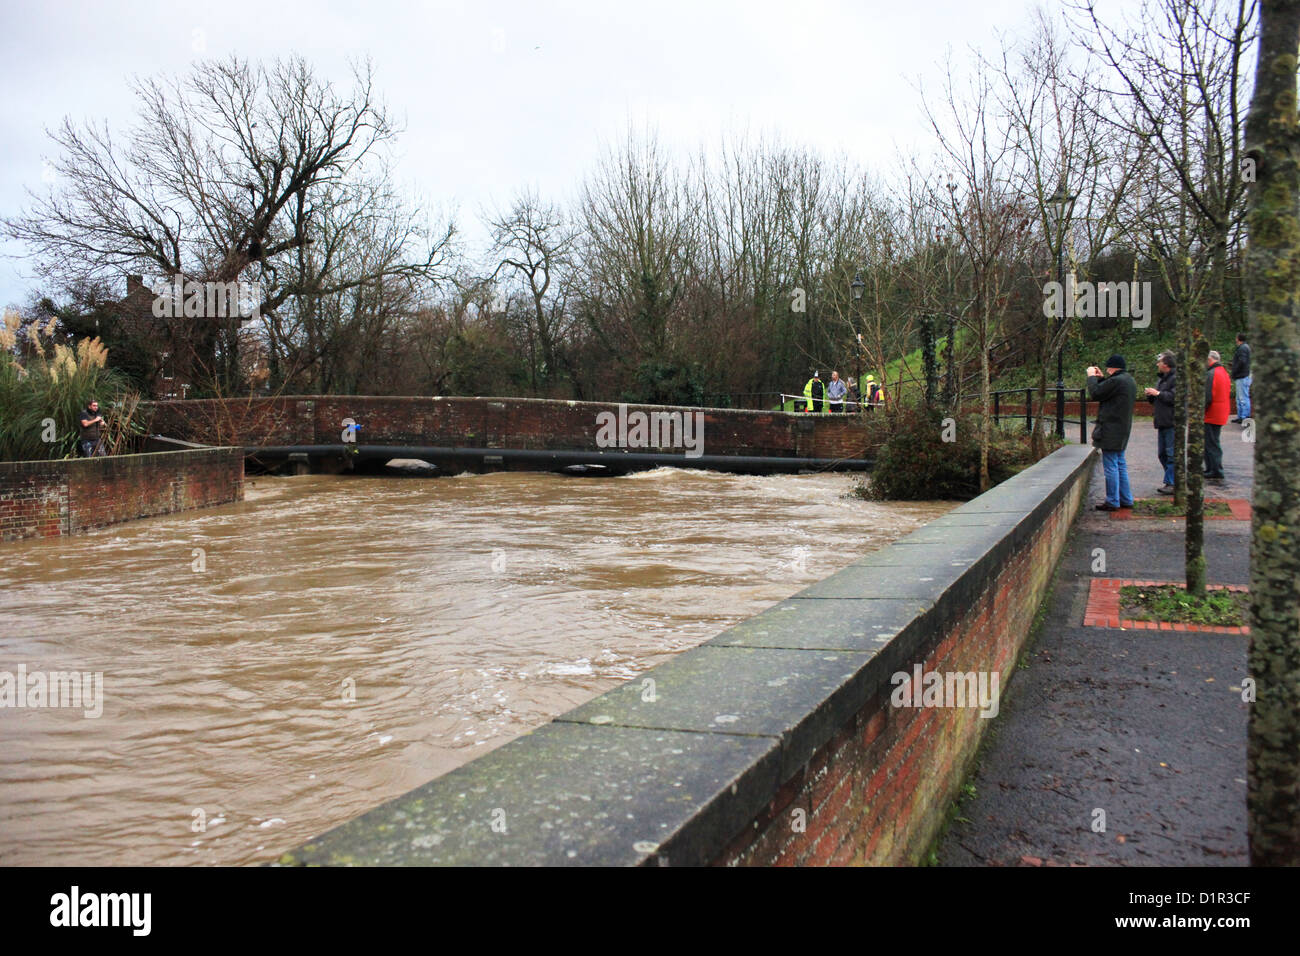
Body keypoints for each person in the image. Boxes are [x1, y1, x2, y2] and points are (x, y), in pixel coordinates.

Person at [1087, 355, 1136, 511]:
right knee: (1120, 463)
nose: (1107, 370)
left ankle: (1113, 501)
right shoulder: (1128, 380)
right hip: (1122, 428)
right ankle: (1126, 498)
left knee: (1111, 466)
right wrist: (1101, 379)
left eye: (1108, 368)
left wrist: (1091, 377)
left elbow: (1096, 393)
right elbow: (1107, 392)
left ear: (1113, 367)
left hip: (1110, 429)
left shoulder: (1117, 381)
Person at [1143, 352, 1178, 495]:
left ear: (1166, 365)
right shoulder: (1162, 380)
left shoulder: (1176, 379)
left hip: (1171, 421)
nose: (1157, 364)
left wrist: (1157, 394)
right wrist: (1151, 396)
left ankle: (1172, 482)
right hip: (1162, 421)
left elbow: (1175, 397)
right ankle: (1173, 479)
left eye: (1159, 362)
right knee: (1162, 454)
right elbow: (1160, 398)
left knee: (1171, 454)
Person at [1204, 350, 1231, 483]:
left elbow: (1207, 396)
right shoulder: (1223, 372)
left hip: (1211, 413)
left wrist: (1201, 410)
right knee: (1213, 441)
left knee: (1211, 443)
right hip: (1220, 412)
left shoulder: (1211, 374)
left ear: (1209, 360)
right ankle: (1212, 468)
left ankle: (1214, 470)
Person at [1230, 332, 1252, 422]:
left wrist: (1235, 371)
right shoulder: (1245, 347)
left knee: (1243, 397)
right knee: (1240, 397)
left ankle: (1244, 417)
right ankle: (1241, 416)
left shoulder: (1242, 349)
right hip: (1242, 375)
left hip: (1242, 375)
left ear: (1238, 339)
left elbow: (1241, 362)